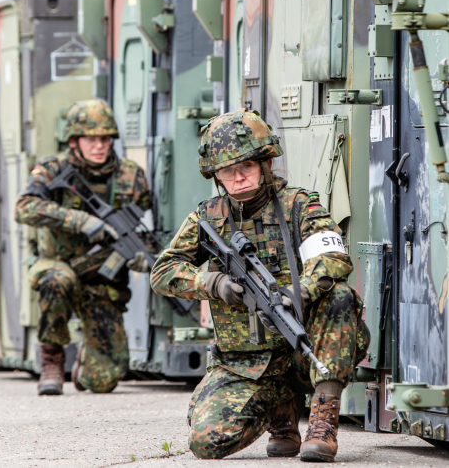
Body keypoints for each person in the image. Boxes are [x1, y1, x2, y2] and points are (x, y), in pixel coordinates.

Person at [151, 110, 370, 462]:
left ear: (266, 163)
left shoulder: (299, 206)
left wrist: (300, 292)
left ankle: (322, 423)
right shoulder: (207, 218)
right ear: (216, 176)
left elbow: (332, 259)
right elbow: (163, 271)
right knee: (207, 442)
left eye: (247, 168)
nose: (238, 178)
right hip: (246, 363)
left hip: (303, 351)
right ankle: (279, 416)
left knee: (340, 297)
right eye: (227, 172)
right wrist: (212, 281)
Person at [14, 99, 152, 395]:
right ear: (74, 141)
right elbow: (24, 208)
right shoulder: (52, 169)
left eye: (105, 138)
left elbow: (140, 230)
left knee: (104, 381)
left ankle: (86, 365)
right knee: (57, 280)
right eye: (91, 139)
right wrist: (76, 219)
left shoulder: (131, 175)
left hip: (101, 280)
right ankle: (51, 361)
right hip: (58, 264)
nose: (99, 146)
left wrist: (143, 255)